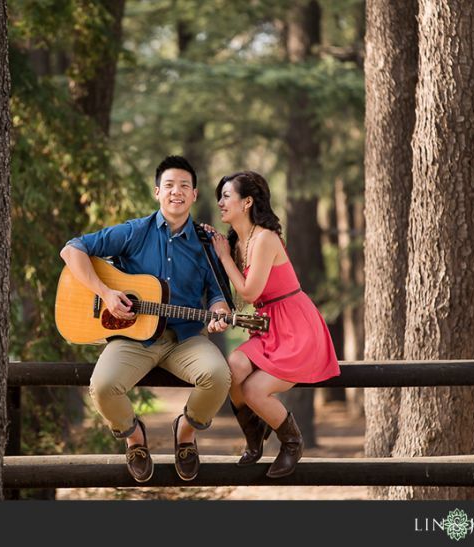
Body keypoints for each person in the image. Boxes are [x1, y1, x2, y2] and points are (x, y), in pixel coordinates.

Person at [59, 155, 232, 483]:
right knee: (103, 386)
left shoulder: (207, 243)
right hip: (133, 338)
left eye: (184, 186)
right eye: (169, 185)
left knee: (218, 376)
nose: (176, 192)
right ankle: (134, 438)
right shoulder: (134, 231)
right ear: (157, 192)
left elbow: (218, 294)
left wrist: (221, 311)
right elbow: (72, 250)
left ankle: (185, 432)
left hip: (185, 339)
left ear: (195, 194)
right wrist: (106, 293)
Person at [201, 170, 340, 478]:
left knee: (253, 390)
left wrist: (223, 256)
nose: (220, 203)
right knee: (232, 367)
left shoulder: (265, 238)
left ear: (247, 202)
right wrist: (214, 245)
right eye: (220, 197)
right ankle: (254, 435)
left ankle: (292, 442)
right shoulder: (238, 242)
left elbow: (249, 291)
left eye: (226, 196)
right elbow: (237, 293)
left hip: (296, 326)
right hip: (268, 325)